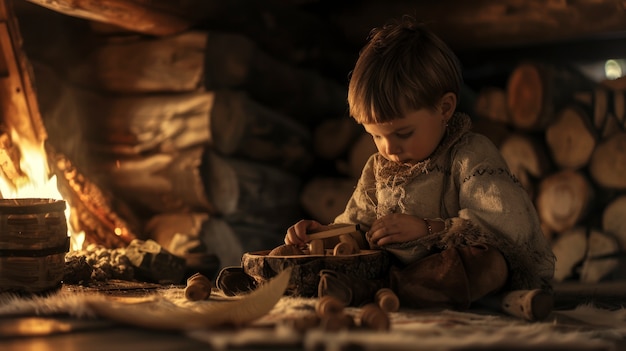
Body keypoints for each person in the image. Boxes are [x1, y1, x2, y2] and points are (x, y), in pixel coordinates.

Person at [285, 15, 555, 312]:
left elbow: (504, 227)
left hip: (453, 272)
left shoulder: (470, 155)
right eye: (376, 136)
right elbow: (356, 225)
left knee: (488, 263)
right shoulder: (379, 169)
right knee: (348, 258)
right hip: (394, 270)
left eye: (403, 133)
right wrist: (321, 233)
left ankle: (376, 291)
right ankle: (378, 288)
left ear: (445, 108)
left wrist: (428, 228)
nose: (389, 148)